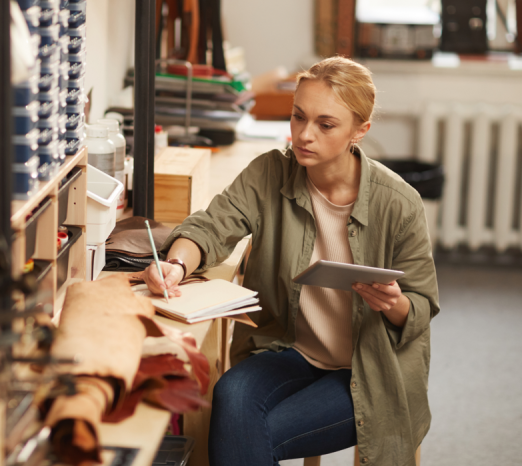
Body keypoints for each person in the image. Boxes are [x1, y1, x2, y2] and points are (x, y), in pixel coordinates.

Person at [142, 56, 439, 466]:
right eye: (298, 117)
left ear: (360, 130)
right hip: (288, 350)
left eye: (325, 124)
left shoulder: (400, 204)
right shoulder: (269, 173)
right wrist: (175, 264)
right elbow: (212, 226)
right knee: (231, 394)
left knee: (241, 433)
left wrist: (394, 305)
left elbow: (422, 307)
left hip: (366, 370)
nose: (304, 135)